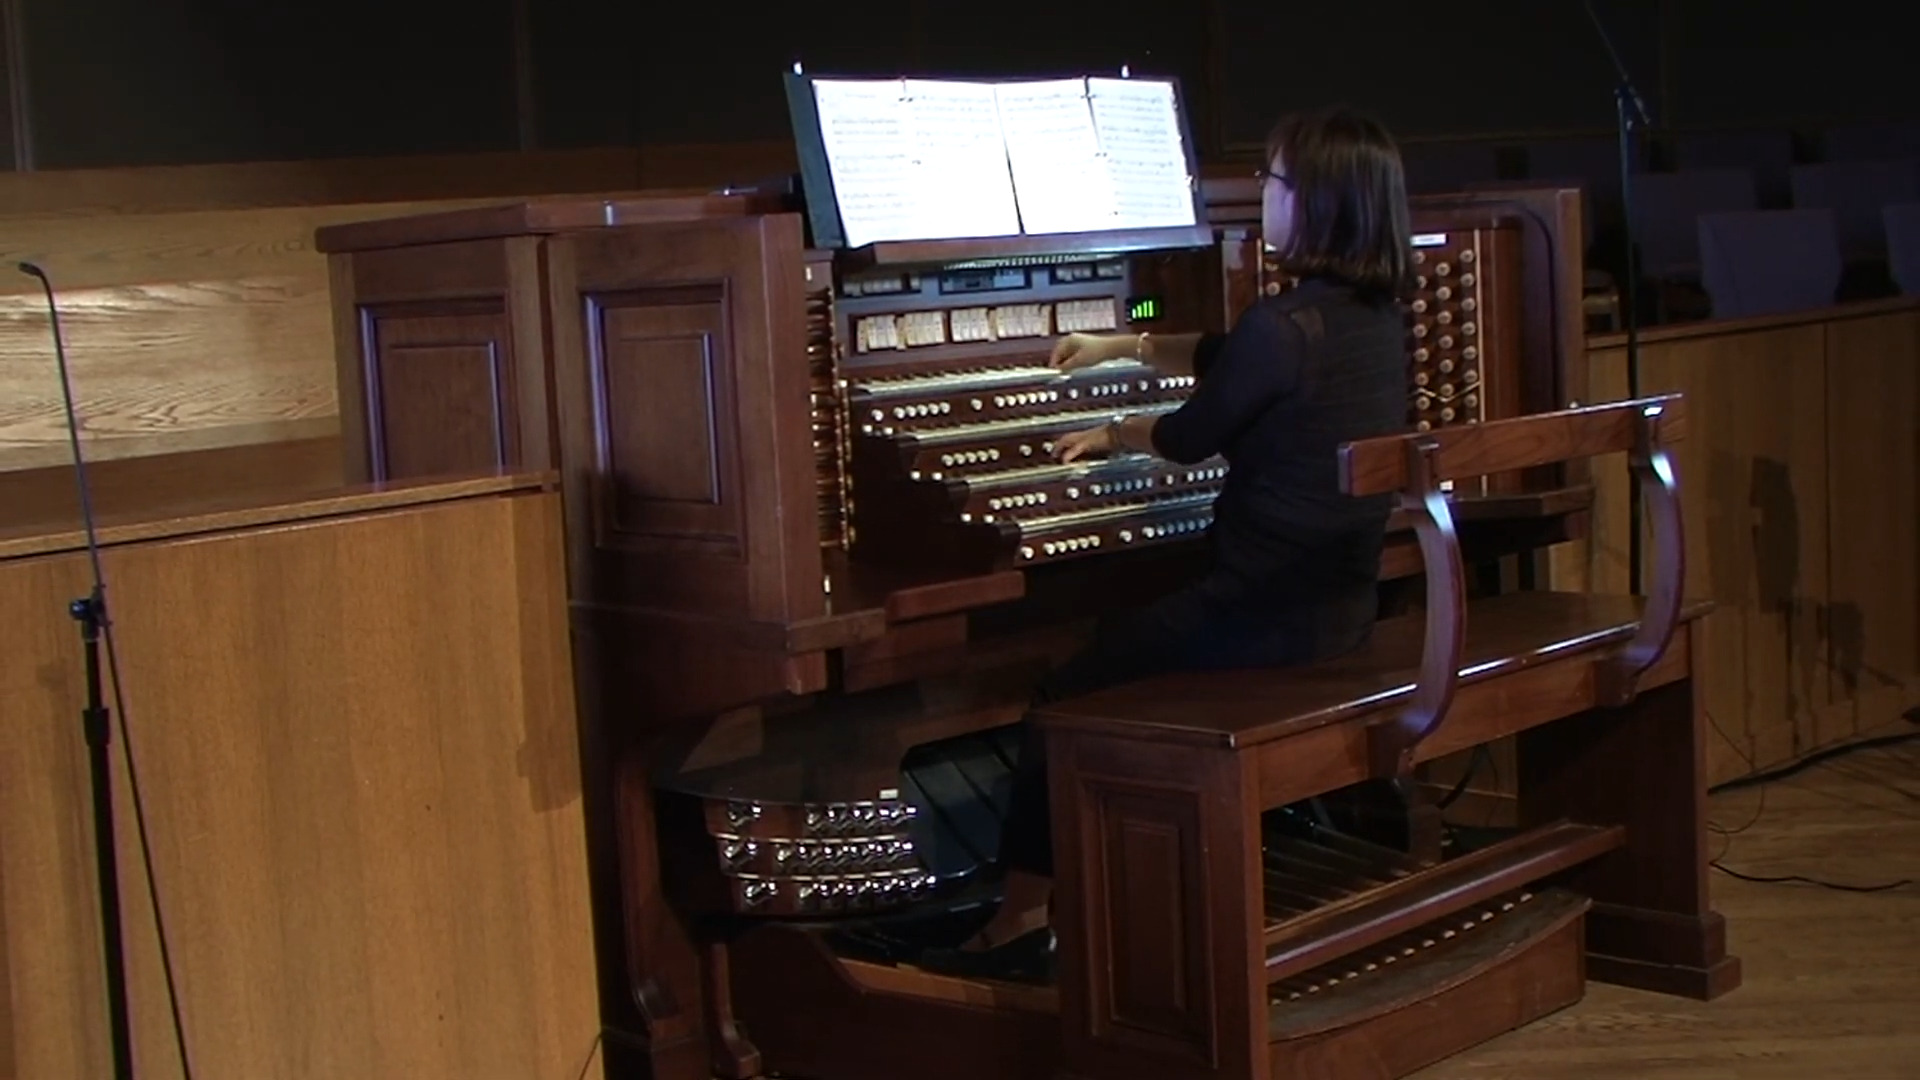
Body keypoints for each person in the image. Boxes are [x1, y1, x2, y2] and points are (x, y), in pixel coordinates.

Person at [925, 105, 1418, 977]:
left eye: (1272, 180)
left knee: (1063, 691)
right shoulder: (1374, 318)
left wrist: (1115, 431)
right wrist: (1124, 343)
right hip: (1336, 609)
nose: (1262, 194)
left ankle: (1022, 917)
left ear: (1317, 203)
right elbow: (1229, 354)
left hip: (1256, 618)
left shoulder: (1283, 327)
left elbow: (1190, 436)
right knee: (1127, 627)